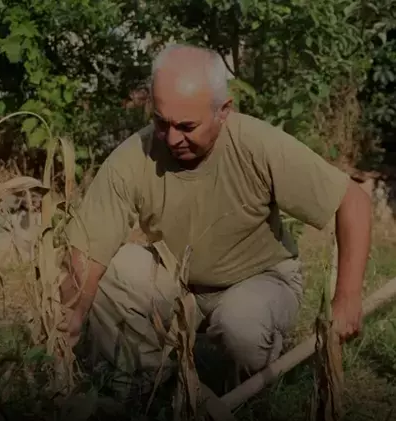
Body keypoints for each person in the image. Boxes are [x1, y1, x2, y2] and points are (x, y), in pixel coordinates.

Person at [58, 44, 372, 396]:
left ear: (223, 111)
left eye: (186, 126)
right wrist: (72, 315)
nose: (172, 138)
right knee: (118, 268)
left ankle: (239, 384)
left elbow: (353, 201)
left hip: (260, 281)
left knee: (241, 326)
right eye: (161, 122)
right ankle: (144, 387)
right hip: (182, 286)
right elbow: (90, 250)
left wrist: (347, 296)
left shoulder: (257, 144)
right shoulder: (135, 156)